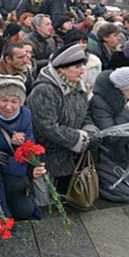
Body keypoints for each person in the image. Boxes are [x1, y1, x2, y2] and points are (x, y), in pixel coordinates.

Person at [26, 43, 99, 192]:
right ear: (61, 69)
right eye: (77, 67)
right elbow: (46, 127)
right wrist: (78, 138)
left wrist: (89, 130)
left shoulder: (78, 86)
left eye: (82, 65)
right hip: (50, 157)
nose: (82, 70)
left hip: (72, 154)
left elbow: (85, 114)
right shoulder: (44, 90)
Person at [0, 75, 44, 219]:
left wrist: (33, 163)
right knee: (13, 185)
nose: (9, 106)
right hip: (0, 172)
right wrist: (23, 170)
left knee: (25, 211)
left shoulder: (25, 114)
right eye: (4, 100)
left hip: (17, 170)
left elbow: (31, 143)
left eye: (14, 101)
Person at [90, 67, 129, 202]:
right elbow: (110, 134)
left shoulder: (128, 99)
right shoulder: (99, 101)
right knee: (125, 193)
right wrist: (128, 112)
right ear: (123, 87)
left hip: (122, 150)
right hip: (106, 153)